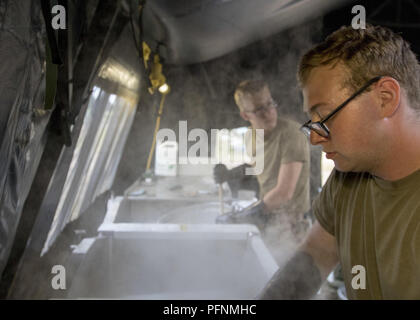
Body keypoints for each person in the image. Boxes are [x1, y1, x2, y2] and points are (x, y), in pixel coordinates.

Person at [258, 24, 420, 300]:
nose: (315, 139)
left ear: (385, 98)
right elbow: (317, 252)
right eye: (313, 123)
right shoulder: (348, 177)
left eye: (324, 118)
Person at [214, 79, 311, 258]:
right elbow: (261, 168)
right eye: (259, 109)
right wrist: (233, 172)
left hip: (291, 225)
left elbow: (284, 192)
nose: (269, 113)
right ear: (245, 115)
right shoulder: (251, 136)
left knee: (287, 282)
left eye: (270, 104)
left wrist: (248, 214)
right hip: (268, 219)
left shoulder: (292, 134)